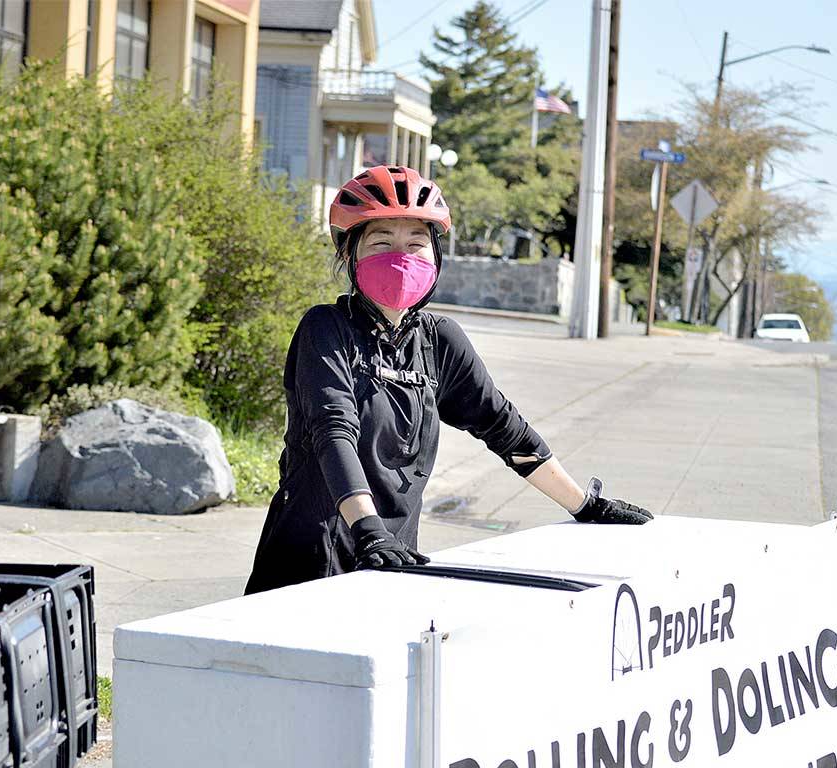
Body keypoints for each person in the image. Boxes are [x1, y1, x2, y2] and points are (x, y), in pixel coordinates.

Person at [244, 165, 651, 595]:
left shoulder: (439, 342)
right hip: (307, 562)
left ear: (435, 256)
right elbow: (333, 433)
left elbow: (507, 431)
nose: (400, 257)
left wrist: (586, 505)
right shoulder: (325, 328)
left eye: (416, 244)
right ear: (351, 255)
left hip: (391, 564)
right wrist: (368, 528)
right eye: (381, 242)